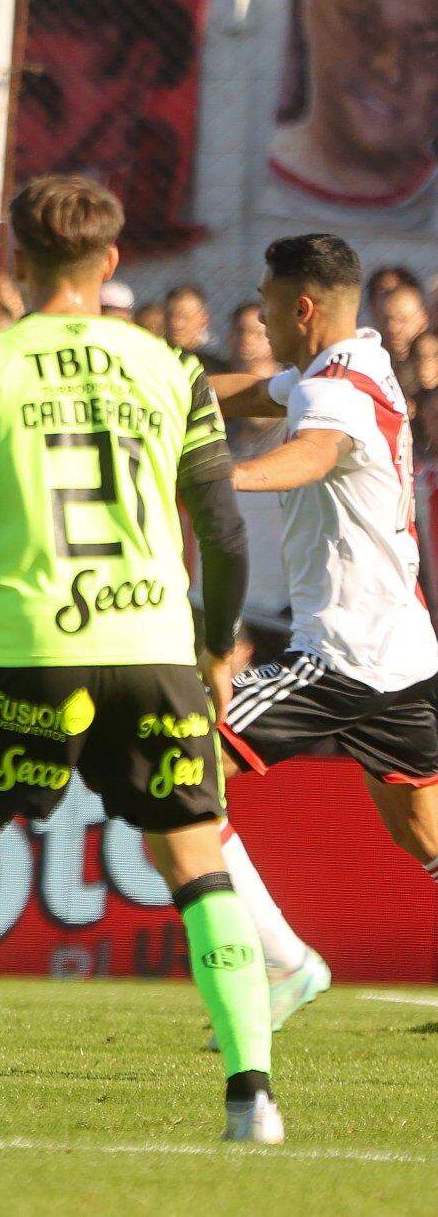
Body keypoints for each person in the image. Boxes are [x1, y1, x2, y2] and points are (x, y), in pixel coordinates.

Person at [0, 175, 277, 1142]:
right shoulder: (171, 369)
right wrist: (216, 642)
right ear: (109, 262)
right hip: (154, 647)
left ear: (15, 264)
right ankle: (250, 1098)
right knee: (193, 861)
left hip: (31, 651)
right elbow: (220, 529)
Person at [208, 234, 438, 1020]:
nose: (261, 319)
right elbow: (258, 393)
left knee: (173, 771)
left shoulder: (329, 395)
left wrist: (215, 476)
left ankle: (282, 964)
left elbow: (314, 451)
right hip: (402, 651)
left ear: (300, 306)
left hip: (337, 657)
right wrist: (159, 392)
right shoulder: (354, 361)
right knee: (424, 835)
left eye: (267, 305)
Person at [263, 0, 438, 227]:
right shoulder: (229, 182)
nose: (390, 71)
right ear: (310, 2)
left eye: (427, 47)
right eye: (365, 26)